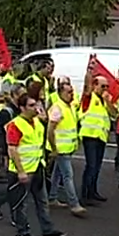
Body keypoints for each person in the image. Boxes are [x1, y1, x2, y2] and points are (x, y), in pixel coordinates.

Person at [0, 93, 66, 236]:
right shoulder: (15, 125)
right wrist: (21, 171)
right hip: (21, 171)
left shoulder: (36, 122)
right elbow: (13, 149)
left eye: (36, 104)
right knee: (20, 204)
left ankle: (47, 229)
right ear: (22, 108)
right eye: (31, 105)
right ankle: (22, 231)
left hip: (37, 168)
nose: (35, 108)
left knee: (42, 201)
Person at [78, 66, 117, 205]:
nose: (105, 89)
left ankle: (93, 191)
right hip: (90, 136)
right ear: (95, 85)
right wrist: (89, 71)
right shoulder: (89, 97)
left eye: (107, 86)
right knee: (91, 165)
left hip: (101, 137)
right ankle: (85, 195)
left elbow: (114, 114)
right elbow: (86, 85)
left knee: (97, 166)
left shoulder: (105, 99)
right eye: (102, 86)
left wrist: (108, 102)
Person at [47, 82, 86, 217]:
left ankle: (52, 197)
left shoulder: (69, 106)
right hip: (61, 149)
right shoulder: (58, 108)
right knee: (68, 175)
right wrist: (53, 148)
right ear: (60, 93)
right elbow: (50, 130)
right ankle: (74, 204)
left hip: (67, 147)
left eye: (72, 92)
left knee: (58, 173)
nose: (72, 95)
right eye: (68, 92)